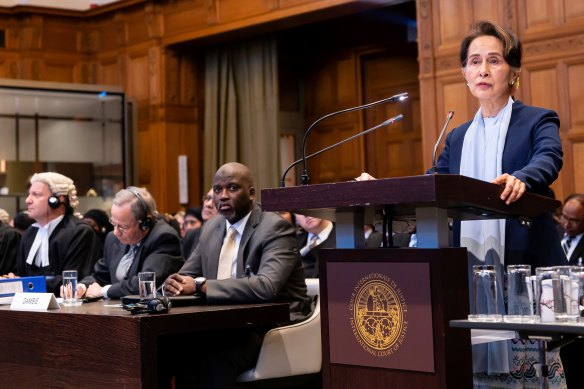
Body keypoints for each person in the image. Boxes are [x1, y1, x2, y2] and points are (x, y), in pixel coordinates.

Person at [358, 20, 566, 388]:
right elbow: (431, 185)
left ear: (513, 71)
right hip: (465, 278)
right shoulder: (456, 137)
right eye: (473, 61)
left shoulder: (537, 119)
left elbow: (549, 157)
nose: (482, 69)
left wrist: (523, 176)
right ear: (464, 73)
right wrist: (385, 189)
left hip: (524, 274)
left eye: (494, 60)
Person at [163, 162, 311, 388]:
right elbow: (186, 276)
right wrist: (173, 285)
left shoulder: (275, 228)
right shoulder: (211, 228)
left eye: (232, 188)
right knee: (170, 350)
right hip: (224, 323)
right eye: (217, 190)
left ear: (251, 194)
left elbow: (266, 287)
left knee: (215, 359)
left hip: (270, 324)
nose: (222, 196)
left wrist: (201, 285)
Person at [78, 187, 184, 299]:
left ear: (145, 223)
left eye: (123, 227)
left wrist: (104, 291)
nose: (116, 232)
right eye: (113, 223)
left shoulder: (164, 238)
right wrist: (82, 286)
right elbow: (101, 275)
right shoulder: (112, 239)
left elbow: (145, 283)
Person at [14, 172, 103, 295]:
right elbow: (21, 275)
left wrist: (23, 283)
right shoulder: (30, 232)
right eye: (29, 194)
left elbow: (72, 281)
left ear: (57, 199)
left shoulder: (80, 232)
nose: (28, 200)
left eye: (36, 194)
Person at [182, 189, 219, 258]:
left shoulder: (228, 236)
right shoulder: (192, 235)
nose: (208, 204)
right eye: (207, 198)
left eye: (216, 201)